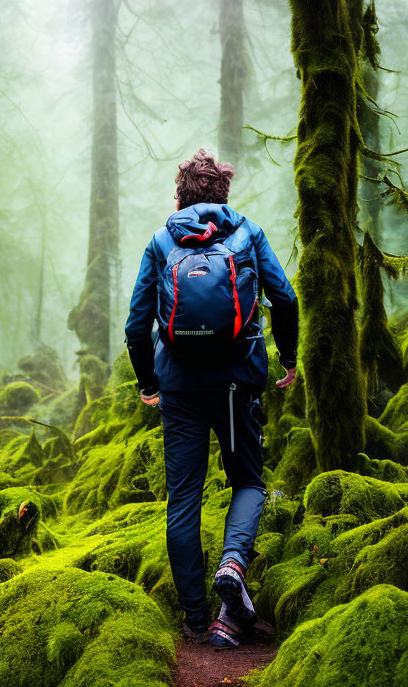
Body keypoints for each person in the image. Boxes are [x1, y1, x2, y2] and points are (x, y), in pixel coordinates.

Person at [124, 149, 299, 647]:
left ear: (180, 194)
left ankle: (198, 619)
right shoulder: (247, 234)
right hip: (237, 381)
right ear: (222, 193)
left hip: (179, 387)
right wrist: (288, 356)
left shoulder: (162, 241)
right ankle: (233, 563)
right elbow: (284, 298)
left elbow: (137, 325)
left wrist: (149, 384)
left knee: (183, 497)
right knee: (247, 478)